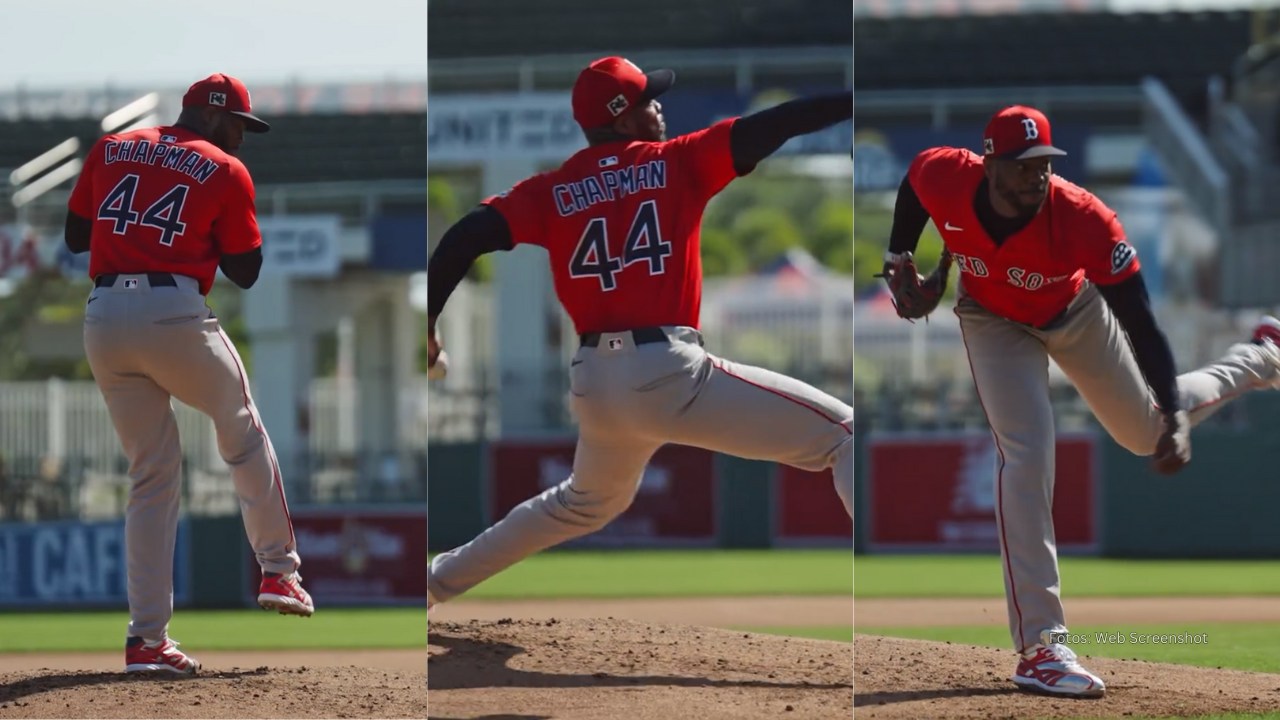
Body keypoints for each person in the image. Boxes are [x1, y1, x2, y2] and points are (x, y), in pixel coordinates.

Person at [425, 56, 853, 608]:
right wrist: (849, 100)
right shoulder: (679, 161)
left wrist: (429, 326)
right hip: (669, 369)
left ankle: (434, 583)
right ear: (623, 119)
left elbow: (463, 237)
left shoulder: (551, 191)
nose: (659, 106)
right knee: (844, 437)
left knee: (584, 503)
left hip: (595, 384)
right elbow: (779, 122)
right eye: (649, 99)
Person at [883, 104, 1280, 698]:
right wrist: (902, 260)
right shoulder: (948, 173)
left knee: (1145, 431)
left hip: (1075, 313)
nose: (1033, 177)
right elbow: (917, 182)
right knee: (1025, 455)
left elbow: (1143, 325)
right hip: (990, 318)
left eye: (1042, 163)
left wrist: (1173, 416)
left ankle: (1262, 355)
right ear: (989, 164)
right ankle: (1042, 648)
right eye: (1020, 166)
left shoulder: (1086, 219)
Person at [65, 73, 314, 676]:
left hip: (102, 317)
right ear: (213, 117)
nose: (242, 139)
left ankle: (146, 641)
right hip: (172, 310)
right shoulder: (224, 169)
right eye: (239, 126)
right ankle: (279, 571)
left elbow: (76, 235)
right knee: (242, 429)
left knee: (151, 477)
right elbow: (248, 270)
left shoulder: (112, 146)